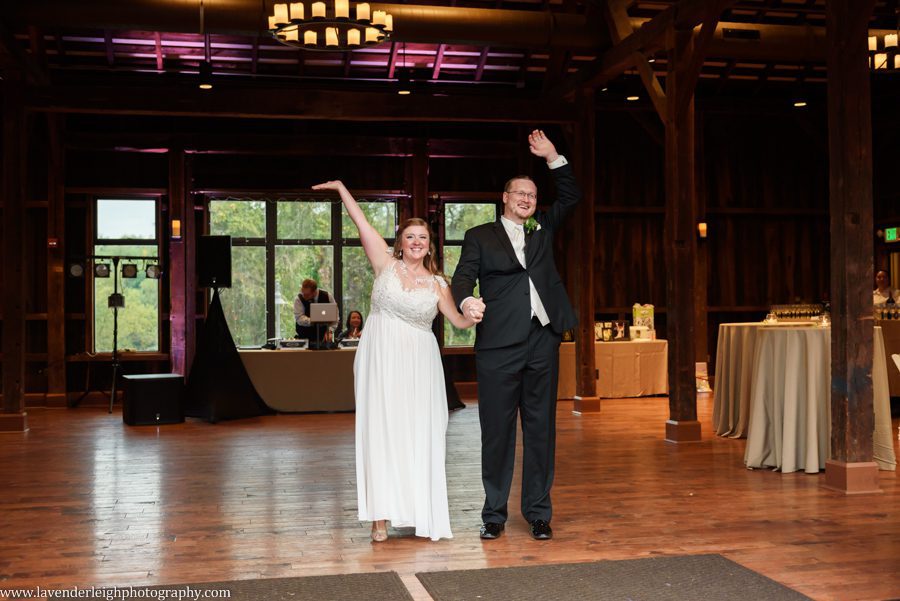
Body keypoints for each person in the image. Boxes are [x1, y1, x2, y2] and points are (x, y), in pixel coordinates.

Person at [311, 179, 476, 543]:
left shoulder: (437, 284)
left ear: (429, 245)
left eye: (423, 238)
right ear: (400, 242)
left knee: (419, 433)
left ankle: (417, 510)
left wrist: (473, 310)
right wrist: (341, 189)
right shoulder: (384, 264)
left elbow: (458, 321)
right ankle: (380, 516)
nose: (417, 243)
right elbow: (361, 223)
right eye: (410, 237)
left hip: (420, 363)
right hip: (381, 357)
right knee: (381, 431)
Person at [451, 129, 581, 542]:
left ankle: (539, 513)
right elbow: (460, 281)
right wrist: (467, 303)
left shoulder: (543, 227)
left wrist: (553, 156)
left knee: (541, 429)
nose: (526, 198)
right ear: (504, 198)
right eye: (518, 193)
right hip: (497, 346)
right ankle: (494, 514)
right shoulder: (479, 237)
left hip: (543, 338)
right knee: (498, 430)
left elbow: (572, 196)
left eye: (531, 194)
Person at [293, 279, 339, 343]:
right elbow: (299, 318)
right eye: (303, 292)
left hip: (324, 338)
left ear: (314, 292)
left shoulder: (327, 296)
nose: (304, 296)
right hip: (304, 337)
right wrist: (312, 320)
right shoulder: (299, 299)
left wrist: (330, 331)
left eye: (307, 295)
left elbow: (335, 316)